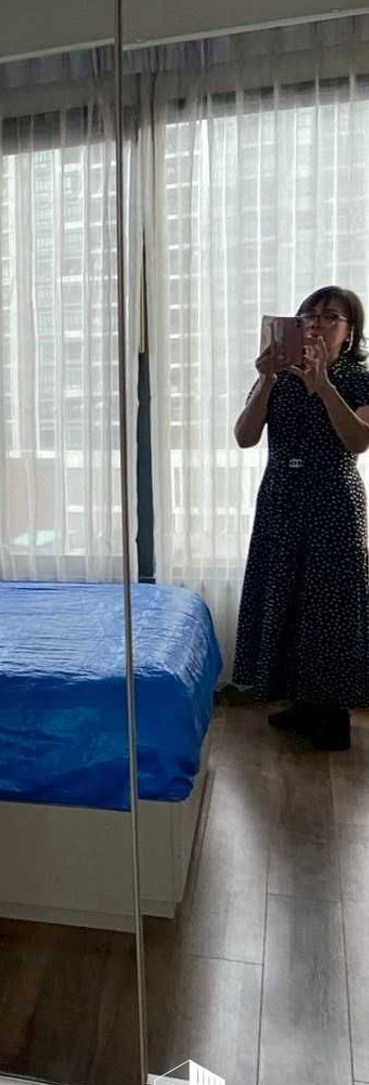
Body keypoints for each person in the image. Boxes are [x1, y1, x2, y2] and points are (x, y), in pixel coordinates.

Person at [232, 285, 369, 750]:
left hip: (333, 501)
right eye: (309, 315)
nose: (317, 323)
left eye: (331, 317)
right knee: (284, 595)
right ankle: (300, 702)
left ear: (349, 332)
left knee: (330, 603)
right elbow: (244, 437)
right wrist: (267, 380)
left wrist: (324, 387)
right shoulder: (279, 377)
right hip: (281, 497)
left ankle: (333, 715)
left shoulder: (359, 378)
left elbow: (358, 441)